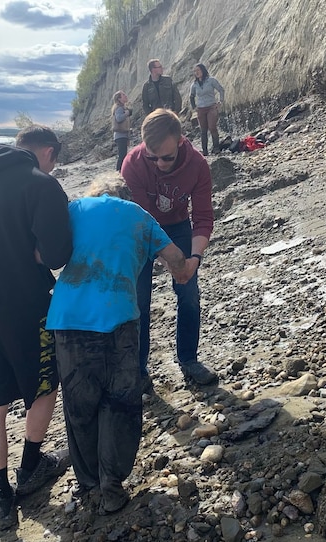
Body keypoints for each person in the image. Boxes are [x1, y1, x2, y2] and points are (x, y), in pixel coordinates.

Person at [46, 173, 198, 515]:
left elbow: (45, 253)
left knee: (80, 405)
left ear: (94, 191)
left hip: (69, 321)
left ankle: (88, 485)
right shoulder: (140, 216)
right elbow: (180, 268)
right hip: (119, 318)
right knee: (120, 402)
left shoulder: (73, 209)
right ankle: (111, 486)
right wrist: (193, 262)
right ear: (126, 195)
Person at [0, 125, 73, 531]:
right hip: (26, 305)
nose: (53, 167)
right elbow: (58, 253)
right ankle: (30, 466)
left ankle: (1, 496)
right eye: (54, 160)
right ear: (47, 152)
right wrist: (38, 249)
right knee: (44, 384)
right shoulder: (41, 185)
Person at [120, 109, 218, 387]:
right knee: (138, 302)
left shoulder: (197, 165)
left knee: (189, 294)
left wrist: (193, 259)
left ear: (180, 140)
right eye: (153, 157)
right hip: (140, 231)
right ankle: (138, 371)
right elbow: (141, 221)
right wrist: (169, 258)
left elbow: (203, 218)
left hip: (177, 226)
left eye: (167, 157)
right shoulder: (133, 164)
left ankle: (188, 360)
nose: (160, 163)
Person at [189, 63, 225, 156]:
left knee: (212, 127)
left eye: (198, 70)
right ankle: (204, 150)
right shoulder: (194, 84)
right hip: (201, 109)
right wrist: (194, 107)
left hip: (211, 107)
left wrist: (220, 101)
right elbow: (191, 96)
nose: (196, 73)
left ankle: (216, 148)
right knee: (203, 130)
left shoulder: (211, 80)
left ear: (203, 70)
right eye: (195, 71)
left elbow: (221, 90)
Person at [111, 90, 132, 171]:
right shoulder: (119, 108)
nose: (125, 95)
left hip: (122, 135)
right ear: (119, 99)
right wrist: (126, 113)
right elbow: (119, 118)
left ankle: (121, 171)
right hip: (120, 135)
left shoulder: (121, 107)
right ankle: (119, 172)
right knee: (122, 155)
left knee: (123, 155)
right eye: (123, 95)